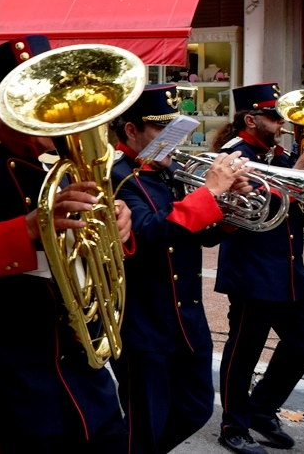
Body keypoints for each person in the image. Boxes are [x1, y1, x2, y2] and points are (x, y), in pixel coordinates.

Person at [0, 36, 134, 454]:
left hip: (84, 372)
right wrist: (29, 228)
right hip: (8, 374)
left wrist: (116, 226)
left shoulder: (66, 161)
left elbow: (92, 247)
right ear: (5, 106)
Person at [110, 84, 250, 454]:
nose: (174, 140)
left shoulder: (170, 172)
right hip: (144, 322)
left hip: (187, 320)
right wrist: (210, 194)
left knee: (196, 409)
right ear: (131, 130)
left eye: (178, 130)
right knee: (144, 425)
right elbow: (150, 233)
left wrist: (230, 208)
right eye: (163, 130)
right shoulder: (117, 177)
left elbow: (198, 236)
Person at [211, 82, 304, 454]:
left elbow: (297, 207)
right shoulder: (233, 155)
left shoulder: (280, 154)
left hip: (288, 267)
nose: (282, 123)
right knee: (245, 350)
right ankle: (233, 425)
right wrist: (295, 177)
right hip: (252, 270)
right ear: (251, 119)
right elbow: (243, 206)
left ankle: (261, 408)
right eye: (274, 117)